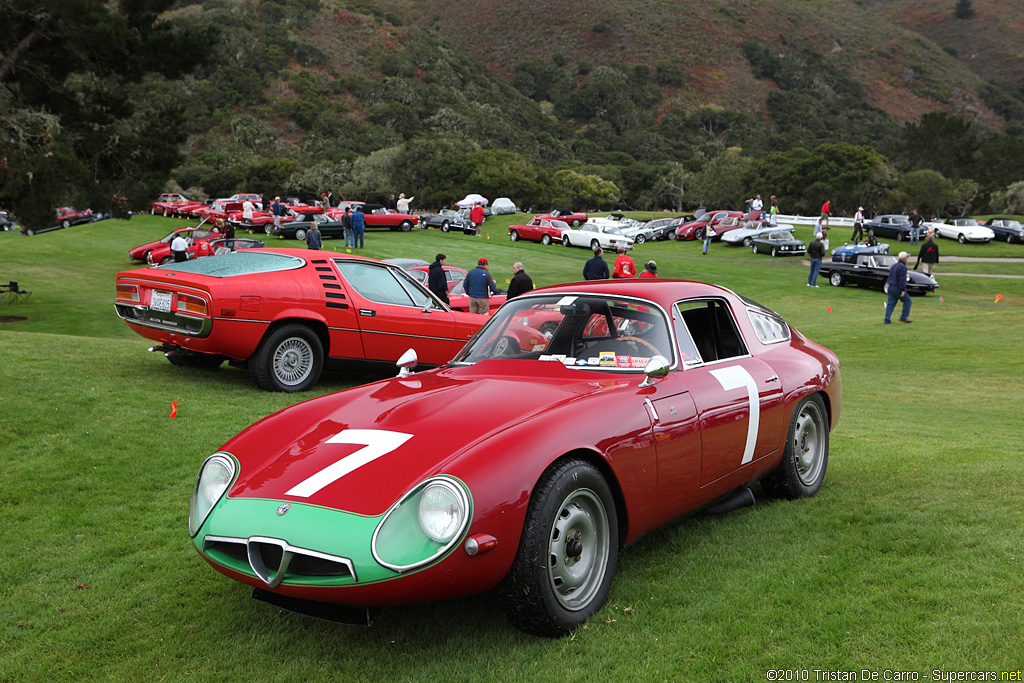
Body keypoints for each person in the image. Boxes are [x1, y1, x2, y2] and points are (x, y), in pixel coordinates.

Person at [884, 251, 913, 324]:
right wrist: (903, 290)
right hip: (897, 287)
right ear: (904, 259)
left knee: (890, 304)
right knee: (908, 301)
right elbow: (902, 280)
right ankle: (904, 317)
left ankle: (887, 319)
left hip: (890, 286)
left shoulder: (894, 265)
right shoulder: (903, 267)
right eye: (907, 257)